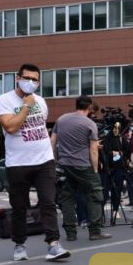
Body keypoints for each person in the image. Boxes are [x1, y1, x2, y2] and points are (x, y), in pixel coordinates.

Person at [0, 64, 70, 262]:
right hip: (17, 163)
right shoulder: (4, 100)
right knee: (20, 206)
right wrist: (26, 106)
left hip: (44, 161)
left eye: (35, 79)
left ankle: (53, 244)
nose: (31, 82)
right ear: (17, 78)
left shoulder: (42, 101)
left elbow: (41, 127)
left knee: (48, 202)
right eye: (27, 78)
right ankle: (20, 244)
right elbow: (10, 127)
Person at [51, 95, 111, 242]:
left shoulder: (62, 119)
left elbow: (52, 141)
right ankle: (95, 231)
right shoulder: (90, 124)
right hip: (83, 165)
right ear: (90, 107)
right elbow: (93, 150)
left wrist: (56, 161)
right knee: (95, 194)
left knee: (67, 197)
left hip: (65, 164)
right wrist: (95, 169)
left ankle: (71, 233)